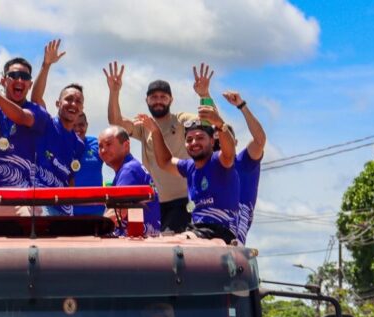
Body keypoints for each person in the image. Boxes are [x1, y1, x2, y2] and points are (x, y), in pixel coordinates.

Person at [106, 61, 216, 233]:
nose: (158, 101)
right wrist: (114, 92)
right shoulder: (144, 126)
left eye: (163, 97)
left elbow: (209, 121)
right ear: (147, 100)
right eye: (154, 97)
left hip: (182, 202)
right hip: (153, 204)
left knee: (173, 250)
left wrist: (204, 94)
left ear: (171, 99)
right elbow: (116, 124)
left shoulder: (180, 121)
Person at [146, 106, 239, 244]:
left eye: (200, 138)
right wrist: (155, 131)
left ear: (212, 141)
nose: (194, 143)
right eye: (189, 140)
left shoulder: (219, 161)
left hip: (221, 233)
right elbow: (165, 162)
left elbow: (229, 152)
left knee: (167, 243)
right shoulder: (189, 167)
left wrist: (220, 124)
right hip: (197, 231)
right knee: (157, 241)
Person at [31, 40, 103, 216]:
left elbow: (70, 176)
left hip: (64, 209)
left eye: (78, 101)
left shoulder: (78, 144)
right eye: (68, 99)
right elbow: (36, 98)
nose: (73, 104)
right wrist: (46, 65)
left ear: (82, 109)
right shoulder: (46, 124)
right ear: (58, 103)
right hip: (41, 204)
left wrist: (70, 206)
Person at [0, 57, 50, 188]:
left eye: (24, 77)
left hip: (20, 194)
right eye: (14, 75)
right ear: (3, 81)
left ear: (30, 85)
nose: (19, 80)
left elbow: (22, 117)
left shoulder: (38, 111)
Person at [219, 91, 266, 245]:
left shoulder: (244, 162)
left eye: (227, 138)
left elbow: (259, 141)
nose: (222, 142)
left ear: (235, 142)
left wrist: (242, 106)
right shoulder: (206, 168)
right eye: (218, 138)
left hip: (234, 244)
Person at [97, 125, 161, 237]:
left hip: (137, 244)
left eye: (108, 144)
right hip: (145, 239)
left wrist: (94, 229)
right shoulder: (130, 168)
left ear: (126, 146)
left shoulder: (129, 170)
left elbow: (118, 212)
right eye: (100, 146)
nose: (103, 150)